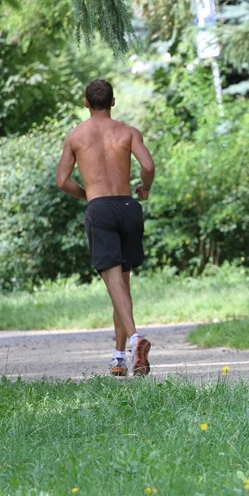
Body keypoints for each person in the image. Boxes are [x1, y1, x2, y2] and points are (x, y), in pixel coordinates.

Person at [56, 79, 155, 377]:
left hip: (100, 209)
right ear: (113, 102)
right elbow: (148, 166)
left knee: (113, 284)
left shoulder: (76, 136)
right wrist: (145, 189)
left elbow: (62, 181)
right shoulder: (128, 132)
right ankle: (118, 357)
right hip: (128, 207)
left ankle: (135, 339)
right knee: (122, 284)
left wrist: (88, 194)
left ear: (86, 102)